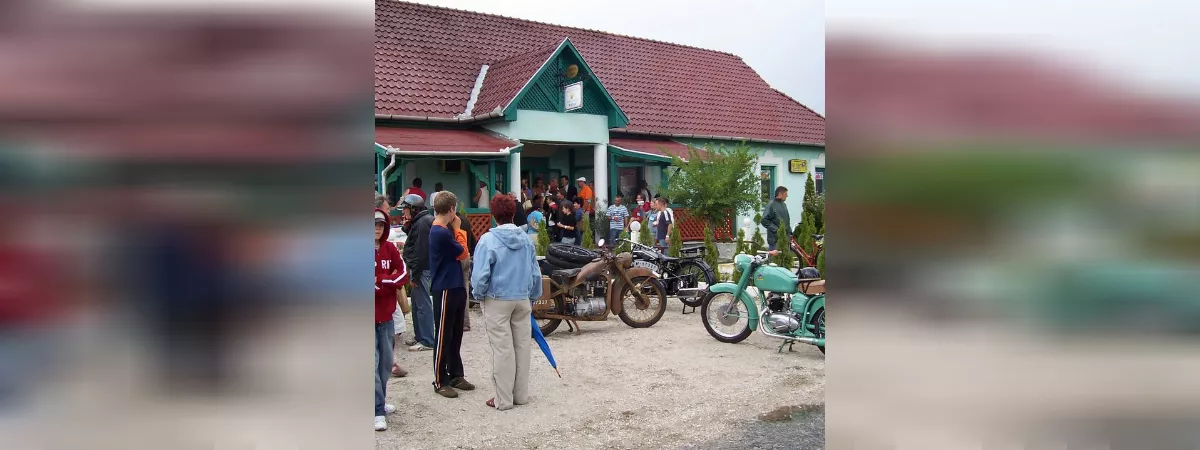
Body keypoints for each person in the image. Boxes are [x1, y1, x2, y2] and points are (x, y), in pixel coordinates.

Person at [471, 194, 541, 411]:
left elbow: (480, 276)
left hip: (497, 299)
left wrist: (478, 294)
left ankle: (503, 399)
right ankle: (521, 395)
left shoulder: (487, 240)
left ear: (494, 215)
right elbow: (535, 273)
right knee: (522, 347)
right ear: (513, 213)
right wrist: (533, 295)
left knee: (502, 349)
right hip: (522, 298)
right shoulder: (526, 240)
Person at [427, 192, 477, 398]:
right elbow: (463, 252)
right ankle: (440, 379)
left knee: (456, 333)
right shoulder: (440, 231)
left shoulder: (443, 230)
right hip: (445, 286)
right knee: (443, 335)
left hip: (455, 284)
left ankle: (455, 373)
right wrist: (458, 229)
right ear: (452, 208)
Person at [375, 209, 409, 431]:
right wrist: (388, 281)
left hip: (387, 316)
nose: (376, 229)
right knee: (371, 364)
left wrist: (383, 281)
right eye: (373, 225)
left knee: (386, 363)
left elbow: (403, 273)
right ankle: (376, 410)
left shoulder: (390, 249)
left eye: (380, 225)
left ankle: (380, 401)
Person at [400, 194, 437, 352]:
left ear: (413, 209)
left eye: (406, 209)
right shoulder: (421, 220)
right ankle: (420, 336)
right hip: (420, 268)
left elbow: (421, 252)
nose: (404, 212)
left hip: (421, 269)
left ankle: (427, 339)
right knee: (417, 304)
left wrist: (414, 275)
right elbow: (414, 241)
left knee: (422, 305)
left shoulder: (422, 223)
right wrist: (407, 227)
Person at [761, 186, 791, 251]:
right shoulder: (771, 205)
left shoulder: (784, 205)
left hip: (785, 239)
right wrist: (777, 230)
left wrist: (790, 232)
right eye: (785, 194)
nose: (787, 196)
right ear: (780, 194)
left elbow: (786, 220)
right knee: (775, 257)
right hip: (775, 240)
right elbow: (764, 220)